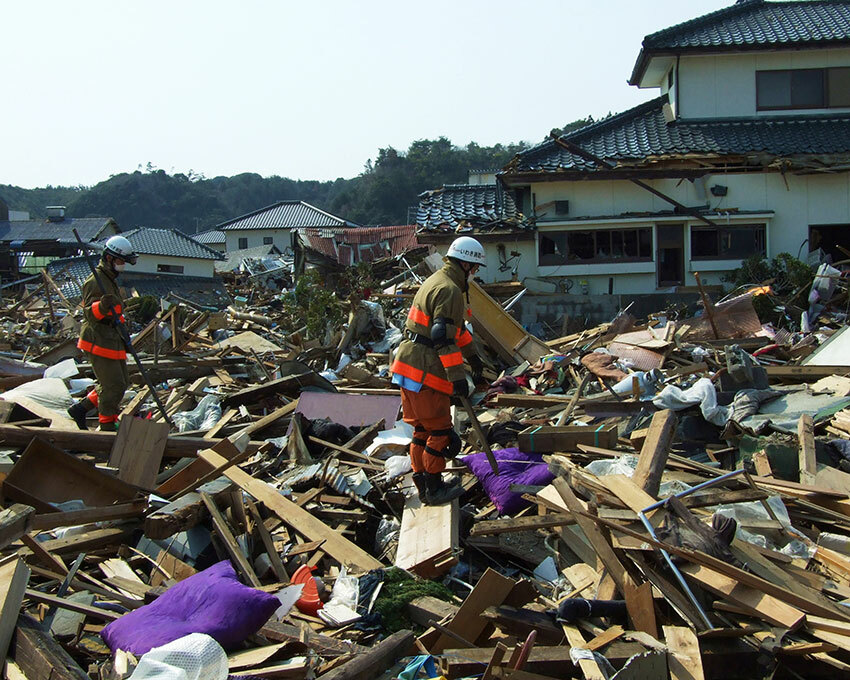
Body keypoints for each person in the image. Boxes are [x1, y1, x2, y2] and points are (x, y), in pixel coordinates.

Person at [390, 236, 485, 505]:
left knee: (422, 429)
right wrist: (458, 379)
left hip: (407, 366)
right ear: (466, 265)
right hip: (426, 369)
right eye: (475, 268)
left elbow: (457, 331)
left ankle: (423, 486)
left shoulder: (436, 281)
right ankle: (434, 489)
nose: (475, 273)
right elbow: (443, 337)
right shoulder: (450, 290)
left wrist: (474, 359)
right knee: (440, 432)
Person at [67, 235, 137, 432]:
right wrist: (102, 306)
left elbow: (116, 312)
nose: (123, 265)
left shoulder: (109, 279)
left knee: (121, 382)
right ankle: (106, 426)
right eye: (121, 261)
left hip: (112, 339)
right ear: (109, 258)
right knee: (112, 386)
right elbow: (89, 313)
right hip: (98, 339)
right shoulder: (95, 281)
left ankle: (80, 409)